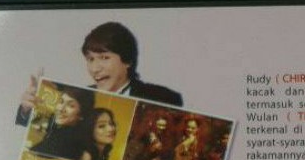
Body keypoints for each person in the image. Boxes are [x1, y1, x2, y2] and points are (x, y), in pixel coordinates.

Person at [17, 22, 182, 126]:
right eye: (90, 59)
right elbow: (49, 128)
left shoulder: (165, 98)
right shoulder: (78, 98)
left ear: (127, 61)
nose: (95, 69)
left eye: (104, 57)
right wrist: (27, 109)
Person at [31, 86, 93, 160]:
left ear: (82, 115)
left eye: (71, 106)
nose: (61, 108)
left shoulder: (68, 141)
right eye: (61, 101)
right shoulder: (62, 130)